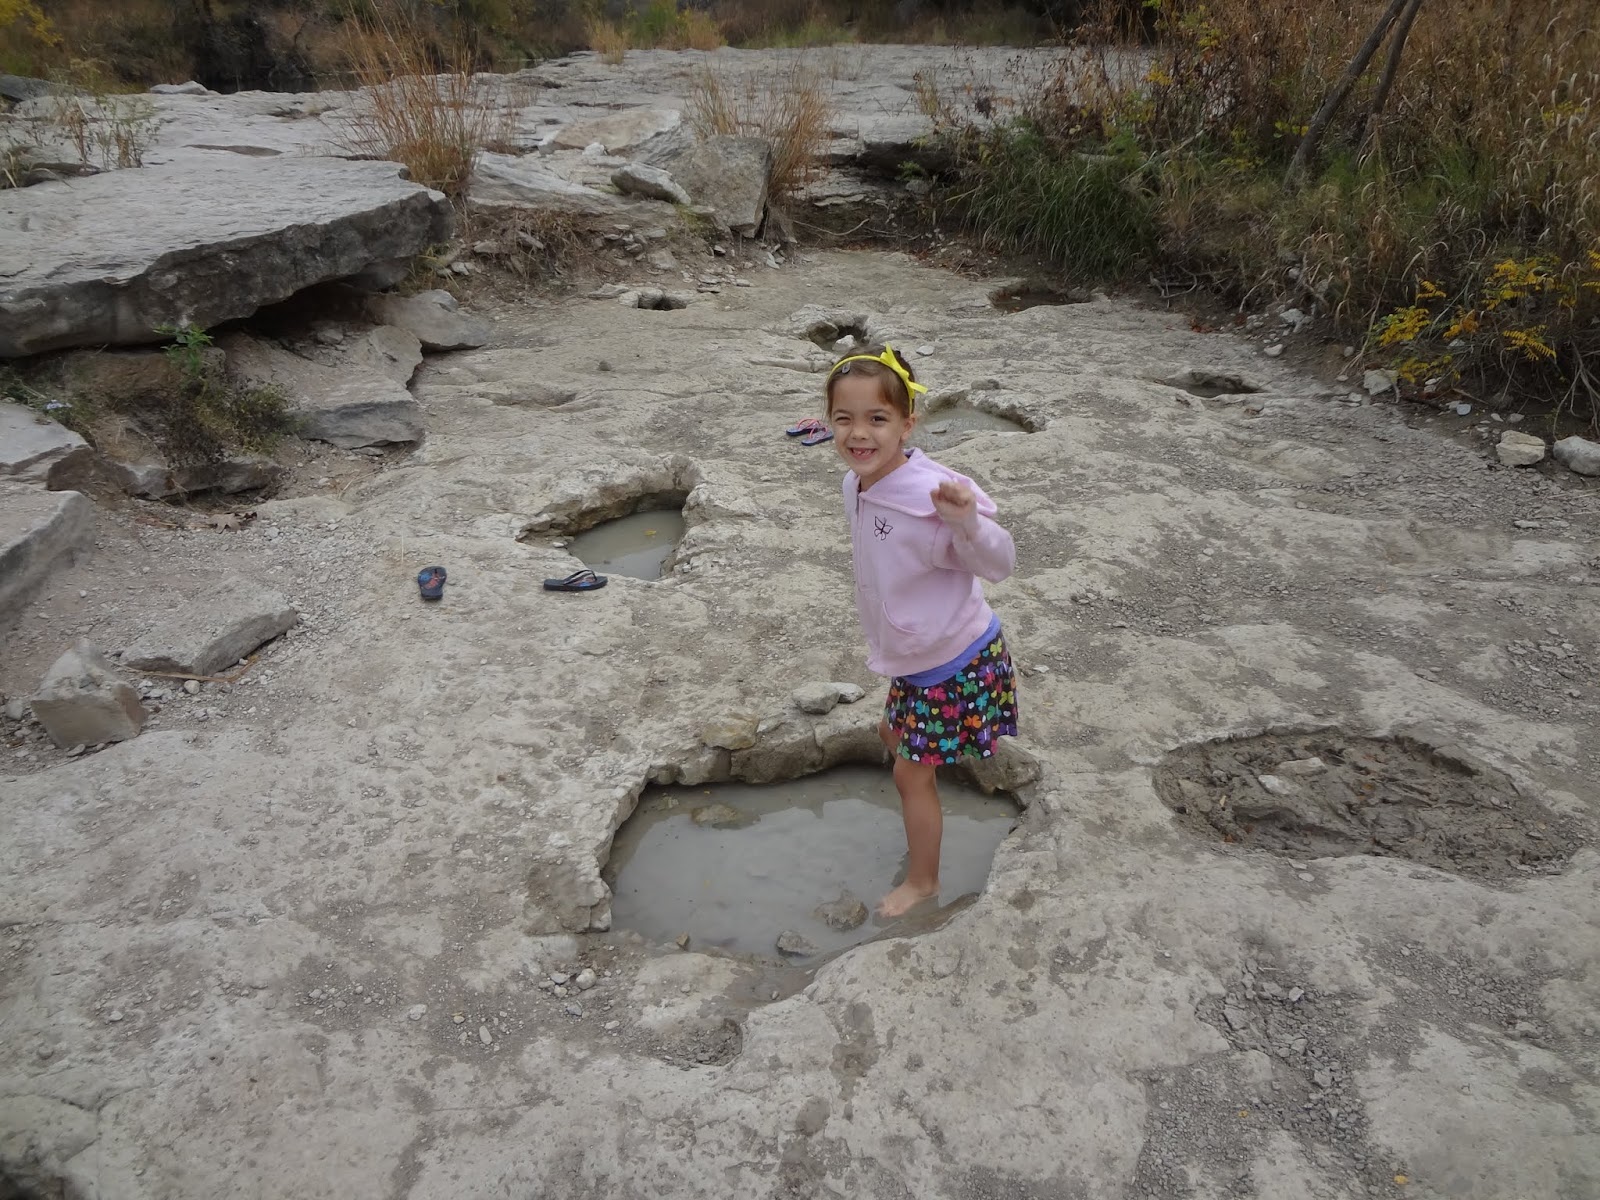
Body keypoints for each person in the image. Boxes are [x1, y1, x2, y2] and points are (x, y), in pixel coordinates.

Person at [825, 343, 1019, 917]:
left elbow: (999, 563)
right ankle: (928, 768)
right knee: (892, 735)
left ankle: (925, 882)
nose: (859, 434)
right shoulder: (854, 486)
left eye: (878, 419)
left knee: (911, 776)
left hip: (955, 661)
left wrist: (967, 524)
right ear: (827, 422)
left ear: (908, 423)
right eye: (845, 419)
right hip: (913, 656)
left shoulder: (933, 502)